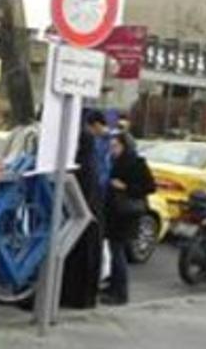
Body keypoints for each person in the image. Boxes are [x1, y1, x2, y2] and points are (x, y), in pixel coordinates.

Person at [102, 133, 156, 306]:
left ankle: (120, 293)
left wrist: (126, 186)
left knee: (119, 252)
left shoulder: (136, 163)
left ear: (125, 146)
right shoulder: (113, 161)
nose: (113, 150)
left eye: (116, 146)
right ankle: (113, 287)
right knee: (114, 250)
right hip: (114, 212)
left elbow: (150, 187)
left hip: (127, 214)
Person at [60, 128, 106, 310]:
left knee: (75, 260)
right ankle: (83, 299)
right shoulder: (91, 161)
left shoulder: (80, 164)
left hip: (80, 218)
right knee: (86, 260)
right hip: (91, 219)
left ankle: (71, 296)